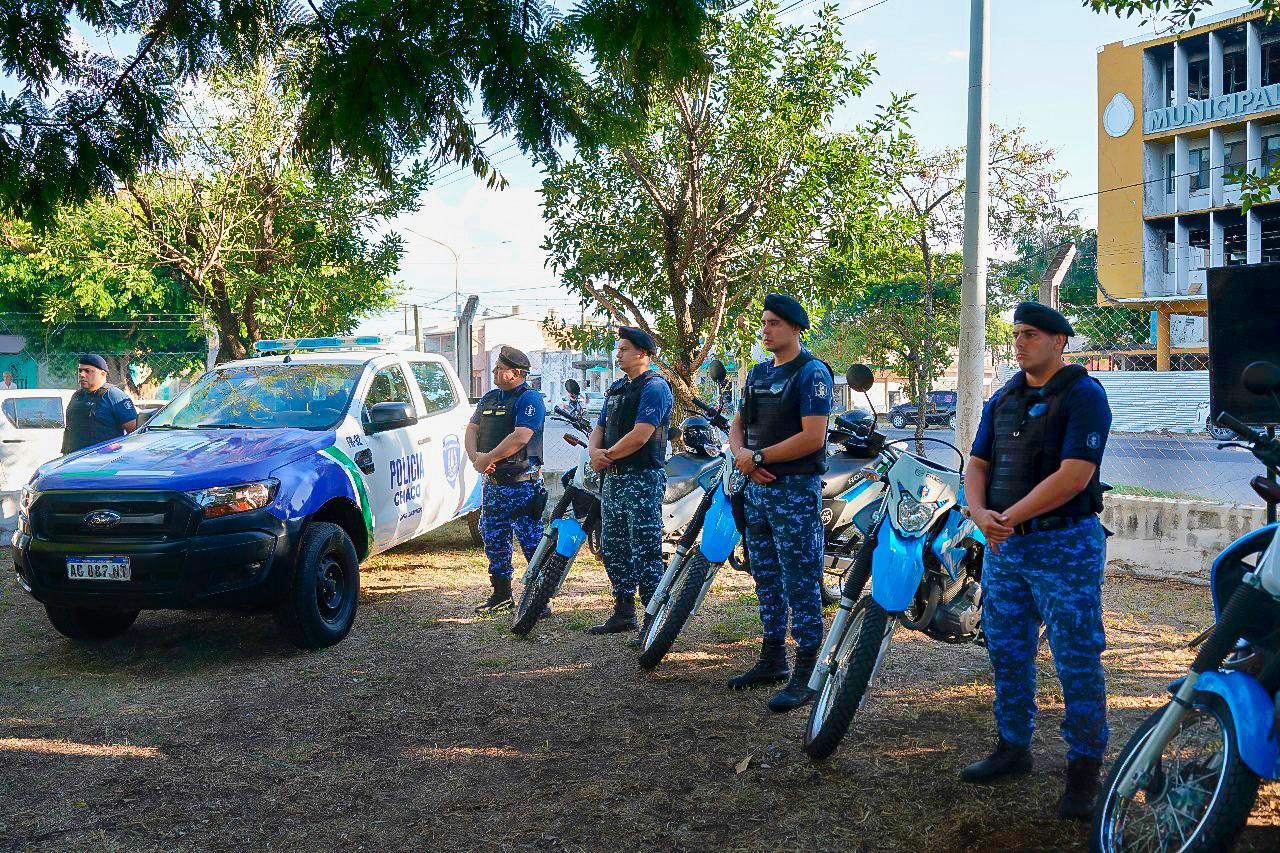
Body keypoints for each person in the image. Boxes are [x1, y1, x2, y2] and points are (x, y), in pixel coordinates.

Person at [961, 301, 1113, 822]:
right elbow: (978, 461)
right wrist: (980, 511)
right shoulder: (1004, 396)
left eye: (1031, 334)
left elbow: (1075, 475)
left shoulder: (1084, 395)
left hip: (1063, 545)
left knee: (1076, 656)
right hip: (1007, 548)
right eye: (1018, 334)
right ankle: (1013, 746)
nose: (1020, 342)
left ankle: (1085, 767)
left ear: (1059, 342)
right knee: (1007, 648)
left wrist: (1008, 516)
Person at [726, 294, 832, 712]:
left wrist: (760, 457)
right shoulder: (755, 374)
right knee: (766, 577)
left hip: (793, 491)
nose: (765, 330)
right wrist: (743, 458)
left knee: (801, 580)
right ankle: (773, 657)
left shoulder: (812, 373)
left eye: (773, 324)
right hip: (756, 489)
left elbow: (813, 437)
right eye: (764, 323)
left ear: (793, 328)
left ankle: (808, 670)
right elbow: (739, 424)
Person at [587, 326, 673, 638]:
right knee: (613, 546)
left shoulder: (655, 388)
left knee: (645, 550)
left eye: (623, 349)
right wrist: (594, 451)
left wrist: (605, 455)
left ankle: (653, 620)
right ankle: (624, 612)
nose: (618, 354)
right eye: (618, 348)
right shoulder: (616, 388)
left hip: (641, 479)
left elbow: (641, 435)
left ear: (642, 353)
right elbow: (599, 426)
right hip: (613, 480)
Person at [466, 346, 548, 613]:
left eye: (499, 369)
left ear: (516, 373)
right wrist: (476, 458)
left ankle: (539, 600)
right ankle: (502, 595)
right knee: (494, 539)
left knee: (532, 543)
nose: (494, 372)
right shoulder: (489, 398)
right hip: (495, 485)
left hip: (523, 484)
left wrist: (487, 457)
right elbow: (472, 429)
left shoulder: (529, 399)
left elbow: (521, 437)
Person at [62, 354, 138, 454]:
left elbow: (135, 433)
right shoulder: (77, 395)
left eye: (88, 371)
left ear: (103, 374)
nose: (82, 374)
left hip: (102, 462)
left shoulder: (113, 395)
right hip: (74, 461)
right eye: (80, 371)